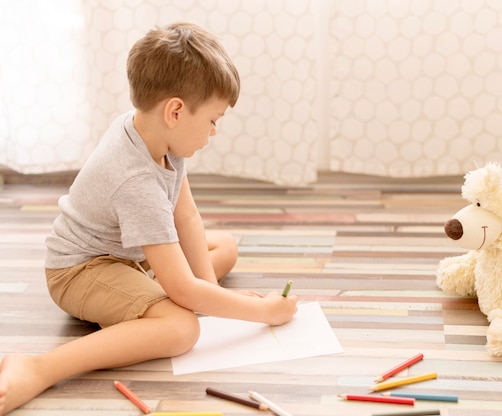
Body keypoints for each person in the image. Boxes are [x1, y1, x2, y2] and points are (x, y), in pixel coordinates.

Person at [0, 22, 298, 415]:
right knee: (182, 328)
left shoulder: (156, 133)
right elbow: (185, 292)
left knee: (223, 247)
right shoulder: (135, 179)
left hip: (127, 254)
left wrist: (217, 295)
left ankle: (135, 316)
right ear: (175, 110)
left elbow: (185, 214)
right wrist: (261, 312)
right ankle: (39, 367)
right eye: (213, 120)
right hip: (80, 270)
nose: (213, 132)